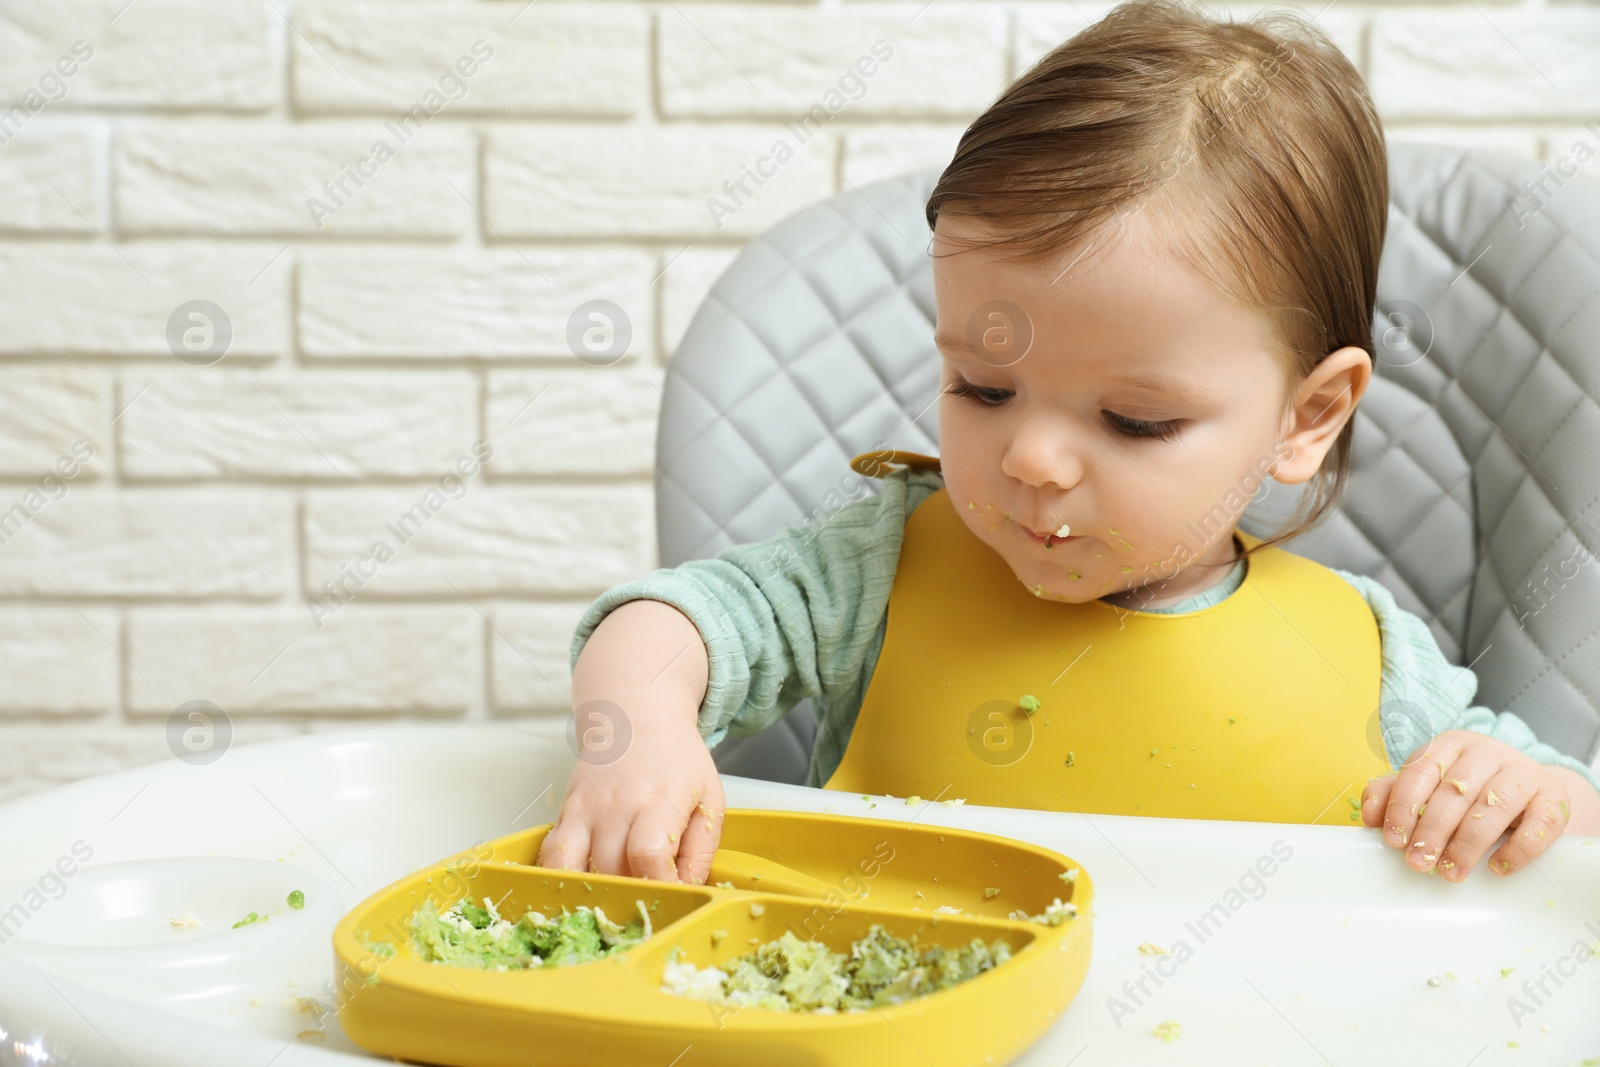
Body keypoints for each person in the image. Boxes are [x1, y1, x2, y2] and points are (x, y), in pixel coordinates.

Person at [538, 0, 1600, 887]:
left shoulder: (1371, 659)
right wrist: (639, 727)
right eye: (982, 385)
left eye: (1134, 419)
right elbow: (671, 619)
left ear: (1306, 417)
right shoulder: (873, 571)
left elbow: (1564, 822)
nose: (1031, 460)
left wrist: (1514, 791)